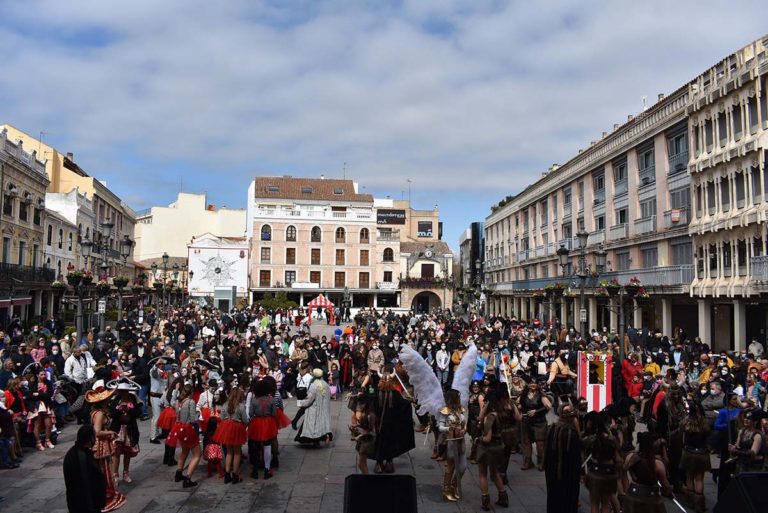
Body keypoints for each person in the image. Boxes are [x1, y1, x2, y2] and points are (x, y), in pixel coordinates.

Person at [86, 382, 127, 512]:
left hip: (100, 443)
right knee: (103, 470)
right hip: (100, 444)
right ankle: (104, 495)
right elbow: (97, 431)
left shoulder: (96, 411)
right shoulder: (100, 414)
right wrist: (110, 432)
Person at [371, 364, 415, 473]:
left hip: (382, 424)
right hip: (387, 424)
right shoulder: (394, 394)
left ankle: (381, 463)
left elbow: (371, 405)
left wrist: (409, 401)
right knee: (388, 442)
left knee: (381, 442)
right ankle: (386, 462)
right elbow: (403, 405)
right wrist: (410, 401)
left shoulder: (378, 393)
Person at [543, 404, 582, 513]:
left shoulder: (551, 429)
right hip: (567, 473)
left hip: (552, 471)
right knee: (567, 498)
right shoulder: (571, 434)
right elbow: (576, 456)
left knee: (554, 496)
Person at [623, 433, 673, 513]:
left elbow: (623, 473)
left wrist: (627, 490)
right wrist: (669, 491)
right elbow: (665, 484)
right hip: (651, 498)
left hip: (633, 494)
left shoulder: (631, 457)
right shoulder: (658, 463)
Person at [475, 390, 508, 510]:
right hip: (499, 447)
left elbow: (487, 438)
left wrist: (478, 439)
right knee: (495, 473)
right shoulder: (500, 413)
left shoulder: (490, 417)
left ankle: (485, 501)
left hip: (488, 448)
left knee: (483, 474)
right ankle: (503, 497)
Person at [583, 412, 621, 513]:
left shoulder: (592, 439)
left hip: (595, 472)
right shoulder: (612, 439)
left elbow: (582, 445)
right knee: (606, 503)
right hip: (609, 473)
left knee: (594, 503)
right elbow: (618, 457)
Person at [63, 425, 106, 513]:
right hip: (85, 506)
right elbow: (85, 484)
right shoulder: (81, 457)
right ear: (90, 438)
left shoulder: (77, 452)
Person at [167, 384, 201, 488]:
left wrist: (175, 390)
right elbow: (193, 419)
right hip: (188, 429)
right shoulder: (190, 402)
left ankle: (178, 473)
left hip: (179, 428)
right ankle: (187, 478)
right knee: (197, 454)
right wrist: (198, 413)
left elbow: (171, 402)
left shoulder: (178, 402)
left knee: (184, 451)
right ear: (191, 392)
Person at [680, 401, 710, 513]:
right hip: (702, 453)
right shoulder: (706, 422)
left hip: (689, 452)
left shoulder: (686, 421)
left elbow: (681, 432)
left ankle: (690, 501)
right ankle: (699, 505)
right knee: (699, 478)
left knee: (689, 477)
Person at [213, 386, 247, 483]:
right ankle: (235, 475)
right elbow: (245, 419)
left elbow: (222, 417)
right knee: (237, 453)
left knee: (228, 452)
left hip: (226, 427)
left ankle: (227, 474)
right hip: (237, 428)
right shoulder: (240, 406)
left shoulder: (225, 404)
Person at [110, 381, 142, 483]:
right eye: (121, 390)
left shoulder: (133, 398)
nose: (123, 392)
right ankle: (115, 475)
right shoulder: (116, 399)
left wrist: (128, 409)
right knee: (116, 452)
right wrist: (119, 410)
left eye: (124, 390)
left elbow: (138, 412)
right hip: (118, 429)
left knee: (128, 451)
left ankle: (126, 472)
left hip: (130, 429)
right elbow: (111, 413)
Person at [438, 389, 467, 502]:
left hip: (461, 441)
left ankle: (454, 486)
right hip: (451, 442)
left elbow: (464, 423)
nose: (460, 399)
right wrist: (449, 428)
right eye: (458, 398)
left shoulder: (461, 410)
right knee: (450, 467)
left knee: (463, 467)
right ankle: (446, 490)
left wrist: (464, 430)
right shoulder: (445, 412)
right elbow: (440, 427)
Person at [247, 379, 279, 479]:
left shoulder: (254, 400)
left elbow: (251, 413)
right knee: (267, 446)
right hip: (268, 423)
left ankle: (255, 470)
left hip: (256, 423)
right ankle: (267, 470)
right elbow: (274, 414)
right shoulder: (272, 400)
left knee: (256, 448)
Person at [294, 368, 333, 446]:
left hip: (314, 409)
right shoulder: (325, 384)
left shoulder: (313, 385)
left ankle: (316, 440)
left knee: (313, 426)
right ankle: (322, 438)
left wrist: (301, 403)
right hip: (324, 409)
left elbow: (309, 399)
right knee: (321, 424)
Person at [519, 380, 551, 470]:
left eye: (534, 383)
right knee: (527, 442)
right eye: (531, 383)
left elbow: (548, 406)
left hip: (539, 422)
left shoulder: (541, 395)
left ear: (537, 385)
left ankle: (541, 462)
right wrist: (519, 407)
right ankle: (528, 462)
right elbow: (518, 404)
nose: (533, 385)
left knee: (540, 443)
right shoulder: (523, 395)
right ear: (528, 384)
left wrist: (536, 411)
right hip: (527, 421)